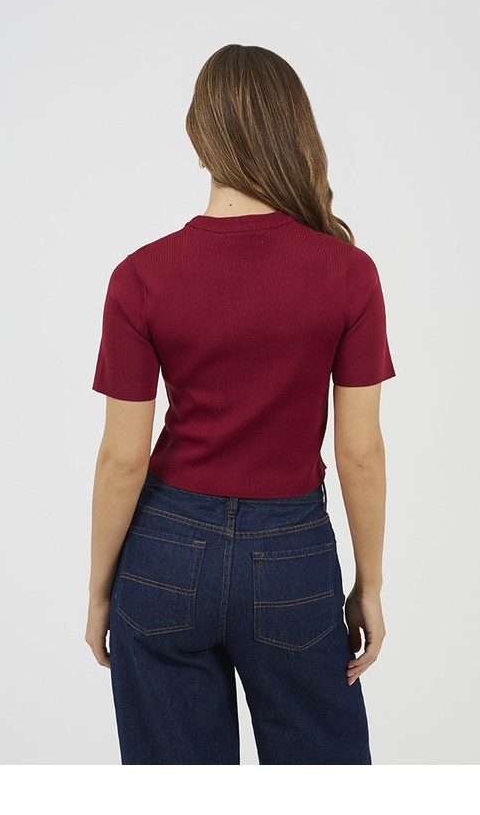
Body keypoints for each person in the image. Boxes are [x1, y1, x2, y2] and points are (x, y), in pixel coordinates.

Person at [86, 44, 396, 764]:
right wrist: (370, 586)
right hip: (292, 558)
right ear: (295, 130)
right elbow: (359, 451)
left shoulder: (141, 277)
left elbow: (123, 458)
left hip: (162, 556)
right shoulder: (348, 273)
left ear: (200, 135)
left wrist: (101, 591)